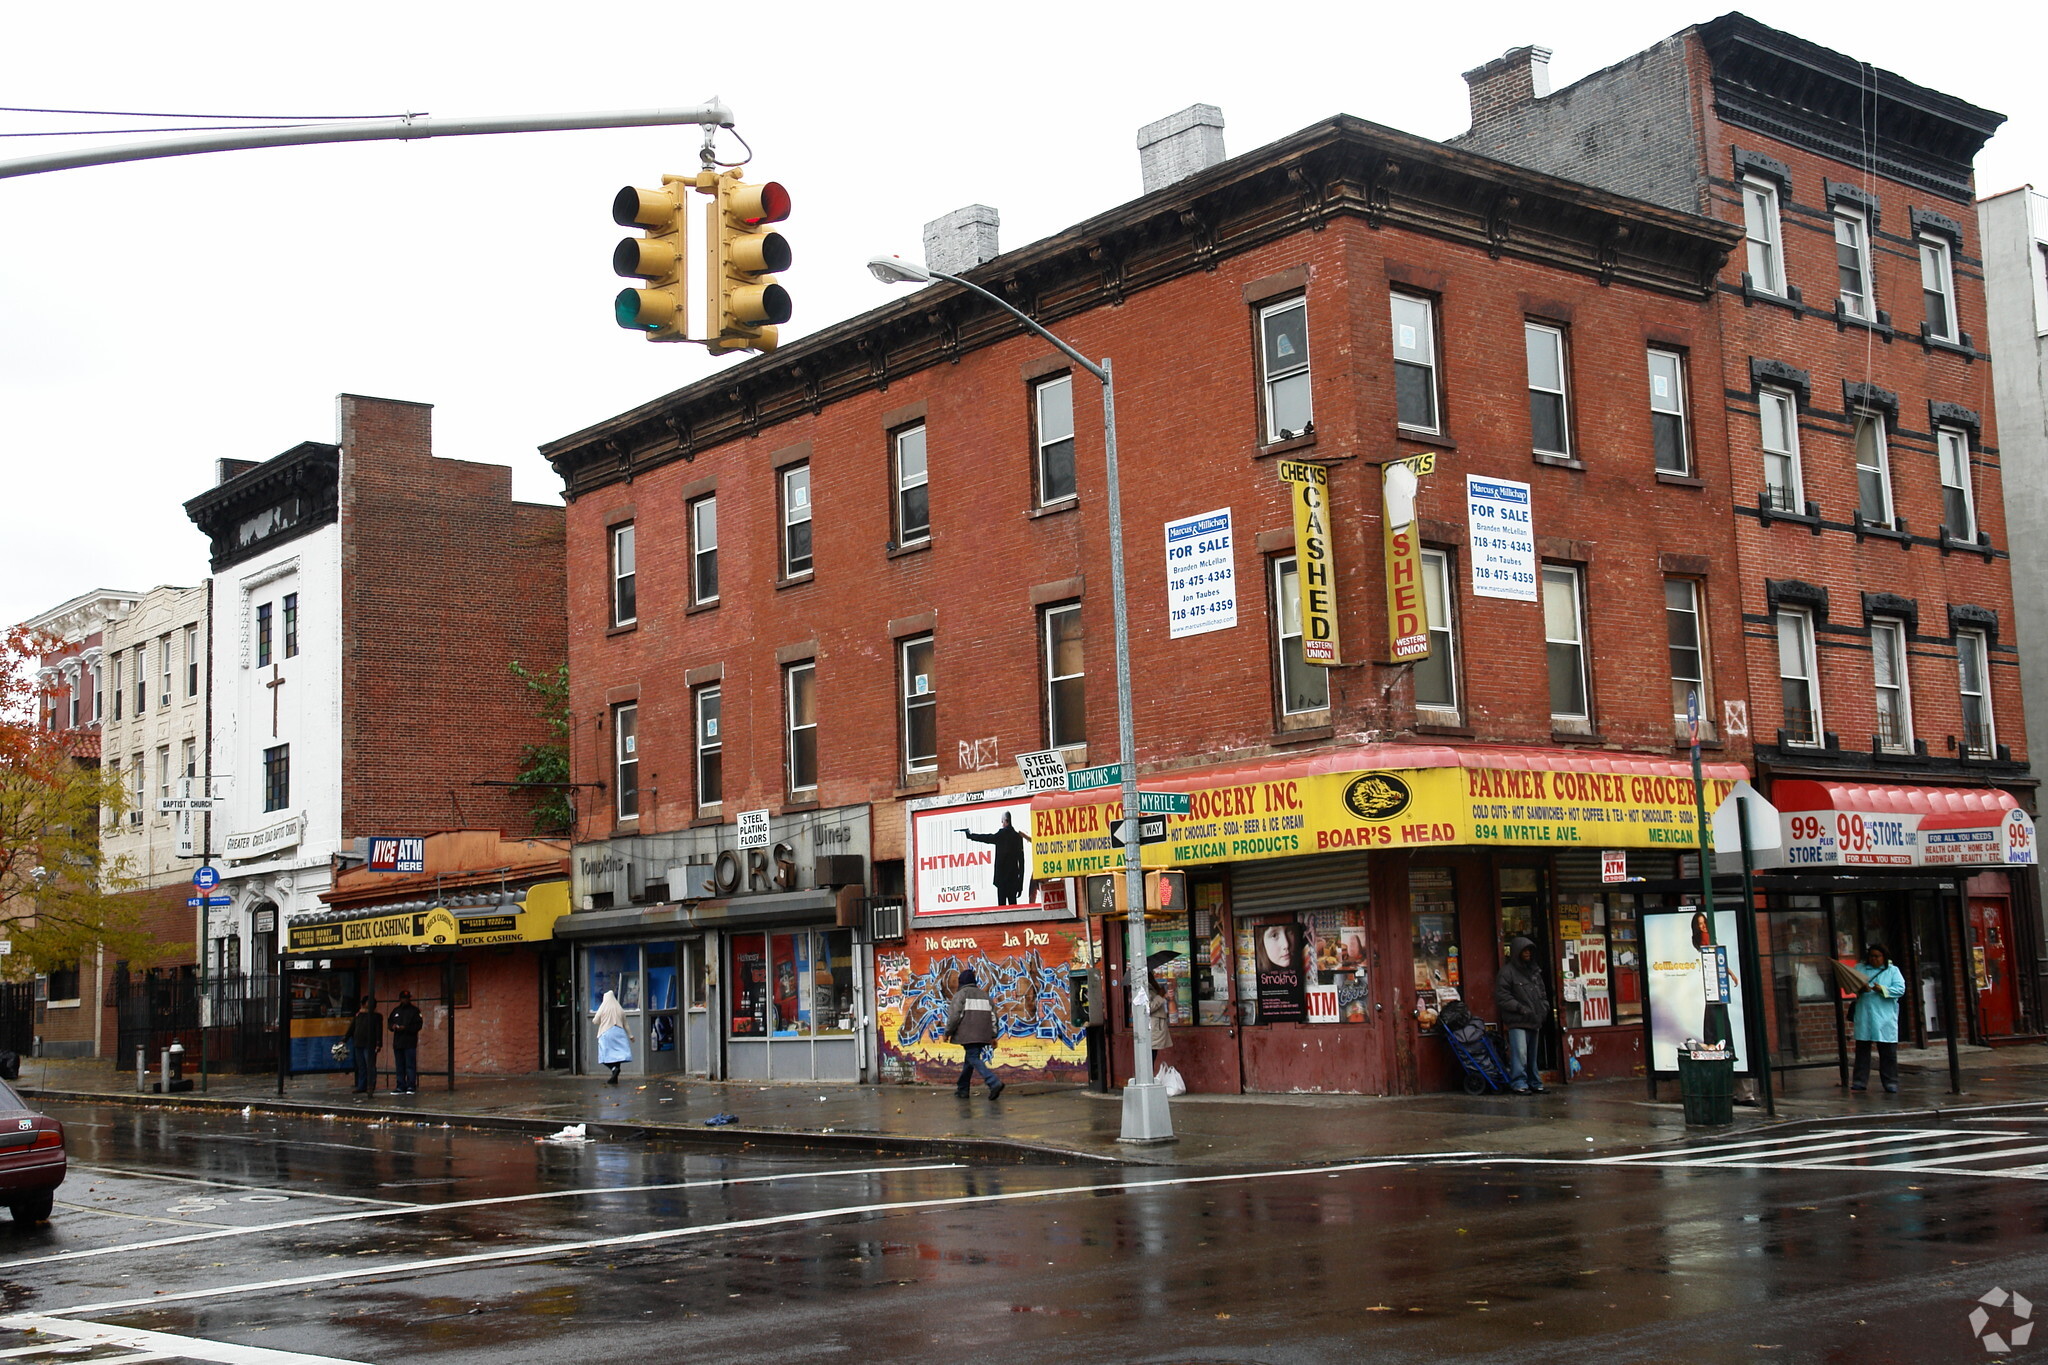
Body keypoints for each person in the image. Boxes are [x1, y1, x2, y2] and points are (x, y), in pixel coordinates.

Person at [1494, 936, 1550, 1095]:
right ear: (1517, 952)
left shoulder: (1534, 971)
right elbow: (1502, 996)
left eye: (1530, 951)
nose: (1527, 954)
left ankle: (1534, 1082)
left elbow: (1542, 992)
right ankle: (1519, 1082)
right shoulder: (1507, 972)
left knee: (1532, 1055)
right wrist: (1519, 1008)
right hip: (1517, 1020)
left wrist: (1543, 1008)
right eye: (1524, 950)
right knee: (1520, 1053)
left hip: (1534, 1019)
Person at [1851, 943, 1907, 1093]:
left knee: (1887, 1052)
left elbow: (1900, 989)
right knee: (1862, 1050)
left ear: (1884, 957)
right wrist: (1860, 989)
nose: (1874, 959)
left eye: (1877, 956)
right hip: (1865, 1013)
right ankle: (1859, 1081)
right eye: (1871, 956)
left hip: (1884, 1016)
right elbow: (1851, 984)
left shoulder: (1893, 971)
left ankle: (1890, 1082)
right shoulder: (1860, 968)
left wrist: (1882, 989)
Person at [944, 968, 1003, 1100]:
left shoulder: (960, 995)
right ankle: (963, 1089)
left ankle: (993, 1082)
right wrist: (993, 1036)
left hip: (968, 1035)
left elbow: (954, 1017)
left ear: (961, 982)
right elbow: (994, 1017)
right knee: (970, 1059)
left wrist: (947, 1032)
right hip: (983, 1034)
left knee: (973, 1058)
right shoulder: (985, 995)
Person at [958, 812, 1032, 906]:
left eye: (1002, 822)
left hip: (1001, 881)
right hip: (1013, 880)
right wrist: (1020, 884)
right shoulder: (1017, 837)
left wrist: (971, 836)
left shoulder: (1001, 835)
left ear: (1006, 821)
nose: (1002, 824)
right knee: (1013, 908)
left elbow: (986, 838)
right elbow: (1021, 862)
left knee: (1001, 908)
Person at [593, 989, 632, 1084]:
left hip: (606, 1033)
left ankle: (614, 1069)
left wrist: (602, 1021)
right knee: (617, 1055)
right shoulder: (619, 1009)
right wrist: (630, 1035)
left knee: (604, 1055)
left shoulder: (603, 1007)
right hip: (619, 1032)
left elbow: (595, 1021)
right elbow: (625, 1024)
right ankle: (615, 1076)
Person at [388, 990, 423, 1095]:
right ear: (400, 999)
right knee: (399, 1065)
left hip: (410, 1042)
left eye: (407, 998)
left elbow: (418, 1025)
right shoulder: (396, 1010)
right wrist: (393, 1027)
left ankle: (411, 1085)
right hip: (398, 1042)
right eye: (403, 998)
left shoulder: (415, 1011)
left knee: (410, 1065)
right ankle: (400, 1086)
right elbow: (390, 1023)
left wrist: (406, 1028)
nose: (405, 1000)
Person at [348, 997, 383, 1096]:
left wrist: (378, 1043)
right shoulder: (359, 1015)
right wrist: (345, 1039)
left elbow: (378, 1030)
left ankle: (370, 1085)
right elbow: (352, 1027)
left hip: (369, 1044)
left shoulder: (376, 1016)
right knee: (361, 1066)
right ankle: (361, 1085)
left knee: (370, 1065)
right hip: (359, 1043)